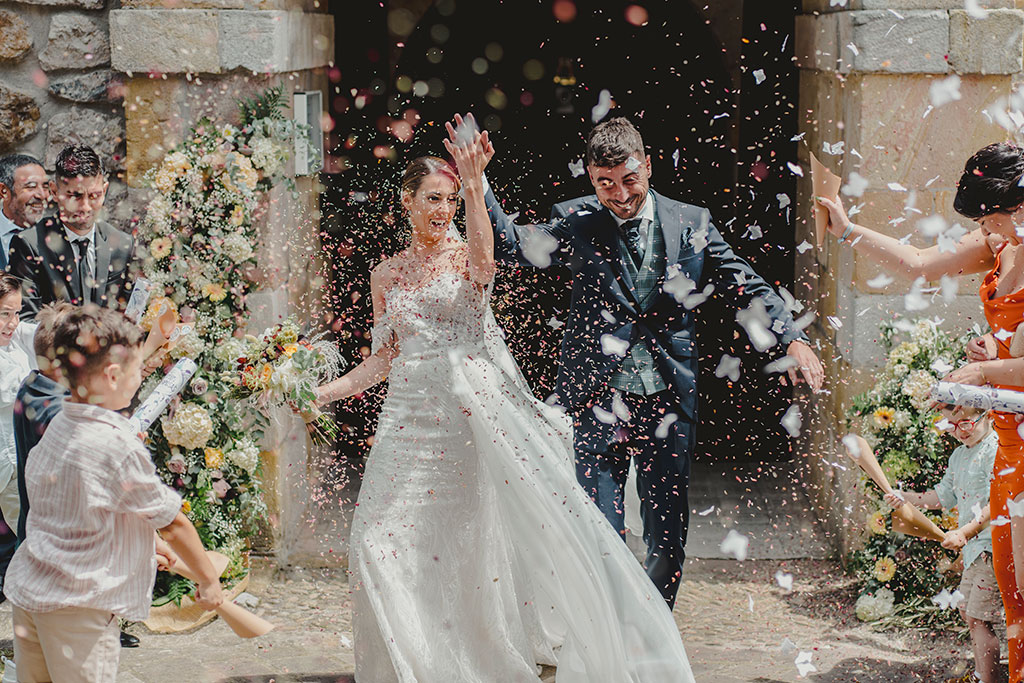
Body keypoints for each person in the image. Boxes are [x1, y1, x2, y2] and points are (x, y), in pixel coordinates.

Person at [315, 134, 695, 681]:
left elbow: (489, 261)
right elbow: (381, 360)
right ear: (407, 202)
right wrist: (318, 393)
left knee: (461, 548)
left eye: (450, 201)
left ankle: (463, 660)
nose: (443, 211)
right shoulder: (385, 274)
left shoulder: (470, 255)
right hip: (403, 424)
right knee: (375, 542)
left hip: (461, 420)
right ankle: (410, 662)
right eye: (433, 199)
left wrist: (473, 185)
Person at [465, 114, 825, 606]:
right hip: (595, 396)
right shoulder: (576, 221)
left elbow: (745, 282)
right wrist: (477, 179)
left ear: (649, 166)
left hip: (667, 400)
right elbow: (508, 245)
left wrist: (791, 339)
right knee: (598, 529)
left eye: (629, 179)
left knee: (667, 535)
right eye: (604, 183)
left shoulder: (691, 223)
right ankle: (610, 639)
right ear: (591, 178)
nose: (619, 194)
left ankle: (655, 638)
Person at [817, 141, 1024, 683]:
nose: (988, 230)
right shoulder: (999, 243)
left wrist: (984, 372)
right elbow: (919, 264)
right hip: (1008, 439)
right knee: (1011, 590)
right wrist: (847, 230)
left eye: (993, 218)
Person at [4, 305, 223, 682]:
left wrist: (142, 544)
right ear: (112, 375)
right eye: (138, 370)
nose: (140, 379)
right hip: (78, 608)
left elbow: (80, 511)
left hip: (31, 593)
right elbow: (174, 524)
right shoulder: (117, 444)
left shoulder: (59, 426)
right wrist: (209, 581)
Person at [883, 407, 1000, 683]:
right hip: (973, 550)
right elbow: (942, 497)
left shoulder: (995, 449)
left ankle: (987, 679)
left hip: (992, 545)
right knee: (966, 610)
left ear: (990, 416)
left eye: (967, 423)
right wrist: (905, 498)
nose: (960, 430)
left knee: (978, 617)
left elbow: (999, 501)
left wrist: (965, 532)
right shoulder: (959, 455)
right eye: (954, 425)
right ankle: (984, 673)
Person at [7, 145, 134, 321]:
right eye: (75, 196)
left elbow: (130, 316)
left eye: (94, 196)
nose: (85, 207)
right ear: (54, 192)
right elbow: (25, 321)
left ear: (104, 191)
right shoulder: (28, 245)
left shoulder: (123, 244)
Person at [0, 273, 34, 599]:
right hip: (5, 464)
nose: (13, 323)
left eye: (17, 313)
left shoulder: (16, 348)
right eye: (4, 313)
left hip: (14, 466)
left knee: (29, 539)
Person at [0, 154, 49, 270]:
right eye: (31, 186)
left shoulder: (57, 236)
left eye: (45, 186)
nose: (42, 195)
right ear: (4, 192)